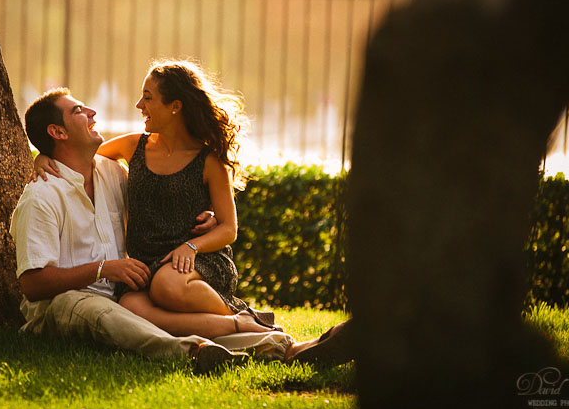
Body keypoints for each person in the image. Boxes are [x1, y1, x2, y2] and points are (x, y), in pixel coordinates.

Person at [17, 81, 353, 368]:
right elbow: (33, 286)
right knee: (105, 312)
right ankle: (194, 351)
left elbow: (160, 194)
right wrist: (104, 268)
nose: (91, 112)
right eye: (78, 111)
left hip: (119, 295)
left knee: (133, 309)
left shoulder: (112, 174)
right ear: (57, 132)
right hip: (64, 300)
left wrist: (205, 211)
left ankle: (287, 347)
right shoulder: (41, 196)